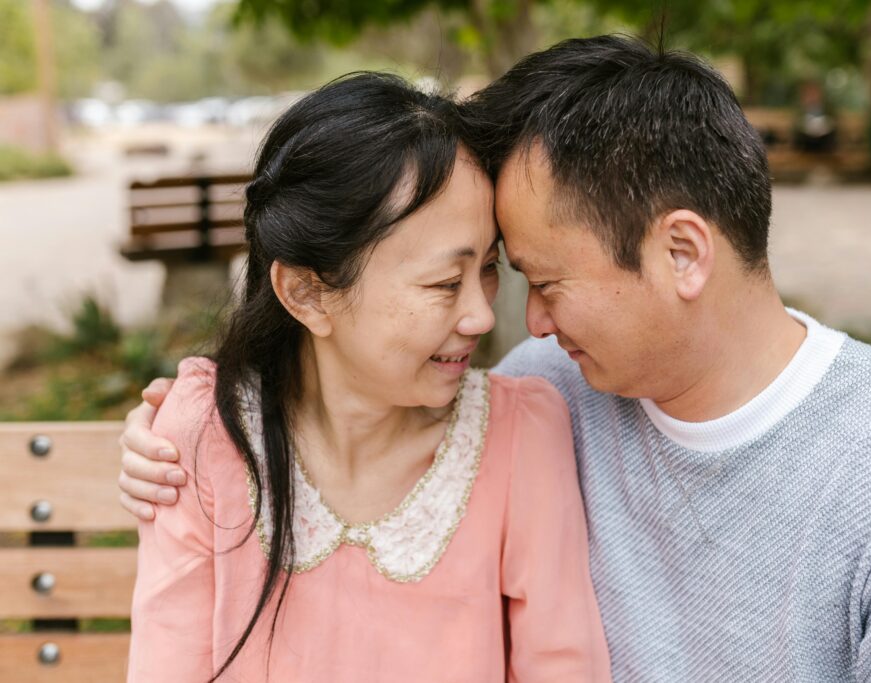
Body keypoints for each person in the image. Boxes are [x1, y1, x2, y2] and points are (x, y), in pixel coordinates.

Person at [120, 37, 871, 681]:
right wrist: (183, 429)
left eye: (539, 281)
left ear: (682, 253)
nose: (524, 324)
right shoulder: (546, 394)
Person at [125, 72, 611, 682]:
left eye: (488, 269)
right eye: (442, 284)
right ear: (307, 292)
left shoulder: (519, 436)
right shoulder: (208, 434)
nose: (481, 315)